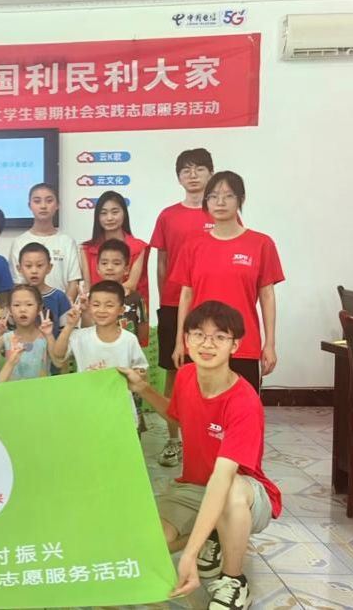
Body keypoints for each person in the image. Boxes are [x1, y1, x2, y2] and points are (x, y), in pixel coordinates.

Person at [118, 301, 281, 610]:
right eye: (199, 335)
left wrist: (189, 556)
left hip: (244, 492)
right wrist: (142, 388)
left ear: (235, 345)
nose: (207, 344)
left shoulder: (244, 402)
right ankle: (213, 536)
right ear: (187, 339)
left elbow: (222, 478)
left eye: (220, 337)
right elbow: (178, 416)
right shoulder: (187, 375)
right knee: (148, 542)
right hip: (194, 486)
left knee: (230, 491)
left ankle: (234, 580)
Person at [171, 171, 284, 393]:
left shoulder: (261, 243)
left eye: (228, 195)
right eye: (213, 196)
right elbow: (186, 296)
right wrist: (180, 342)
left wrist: (270, 344)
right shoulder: (192, 246)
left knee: (243, 406)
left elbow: (267, 296)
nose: (220, 202)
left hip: (243, 343)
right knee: (201, 407)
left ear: (240, 199)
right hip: (201, 344)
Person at [150, 148, 215, 467]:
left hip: (210, 306)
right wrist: (166, 300)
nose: (193, 175)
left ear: (210, 174)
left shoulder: (220, 214)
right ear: (178, 177)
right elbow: (161, 263)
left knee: (209, 370)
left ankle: (206, 440)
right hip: (174, 304)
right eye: (186, 170)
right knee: (174, 371)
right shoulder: (168, 216)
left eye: (199, 169)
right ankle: (173, 439)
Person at [53, 280, 148, 424]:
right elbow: (58, 354)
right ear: (89, 306)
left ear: (121, 310)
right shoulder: (80, 336)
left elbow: (141, 371)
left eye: (109, 305)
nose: (102, 310)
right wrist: (69, 325)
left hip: (120, 409)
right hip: (87, 407)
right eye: (96, 305)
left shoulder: (129, 339)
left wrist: (137, 374)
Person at [80, 190, 150, 337]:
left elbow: (131, 284)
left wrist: (109, 303)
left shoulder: (138, 247)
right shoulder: (87, 248)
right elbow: (88, 284)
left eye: (115, 212)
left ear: (124, 213)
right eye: (103, 213)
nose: (109, 218)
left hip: (126, 310)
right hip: (97, 312)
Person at [9, 183, 81, 302]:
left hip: (60, 308)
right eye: (37, 201)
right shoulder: (19, 242)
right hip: (28, 309)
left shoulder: (67, 241)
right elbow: (18, 283)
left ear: (57, 205)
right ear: (29, 205)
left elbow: (73, 282)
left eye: (49, 201)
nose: (43, 206)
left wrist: (64, 308)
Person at [0, 285, 58, 380]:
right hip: (11, 389)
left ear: (39, 308)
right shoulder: (6, 338)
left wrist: (49, 335)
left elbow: (58, 362)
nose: (22, 310)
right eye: (16, 305)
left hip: (41, 388)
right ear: (9, 310)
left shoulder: (45, 337)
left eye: (29, 304)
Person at [89, 238, 149, 346]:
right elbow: (86, 326)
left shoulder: (136, 298)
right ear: (97, 268)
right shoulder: (90, 297)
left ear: (126, 269)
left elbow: (143, 331)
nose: (109, 267)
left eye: (116, 263)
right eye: (104, 263)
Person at [17, 242, 72, 340]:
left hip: (53, 348)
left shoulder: (59, 297)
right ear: (19, 269)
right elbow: (10, 331)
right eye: (28, 266)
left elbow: (66, 332)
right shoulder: (15, 297)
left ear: (49, 268)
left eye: (39, 265)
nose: (34, 271)